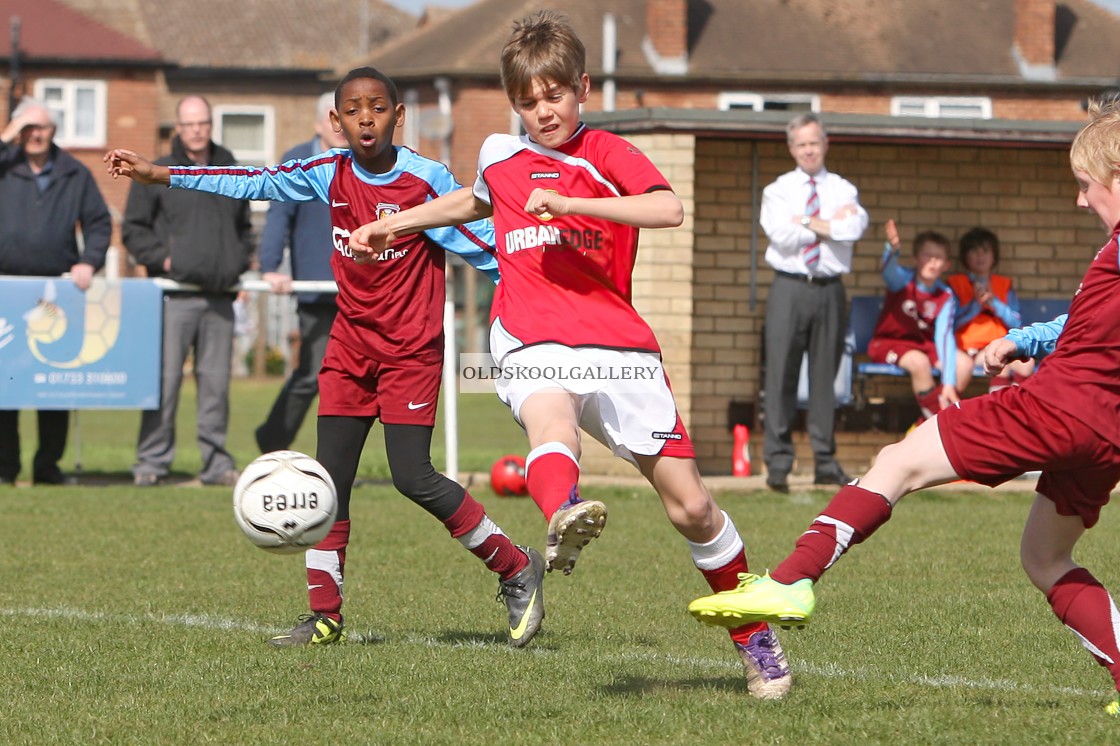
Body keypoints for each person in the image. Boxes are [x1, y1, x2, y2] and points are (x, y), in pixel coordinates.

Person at [347, 11, 792, 700]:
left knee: (694, 509)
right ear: (514, 103)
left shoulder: (607, 153)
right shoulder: (500, 153)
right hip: (531, 330)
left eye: (554, 95)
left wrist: (578, 206)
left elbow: (667, 209)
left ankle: (754, 637)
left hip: (616, 341)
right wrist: (391, 223)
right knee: (550, 425)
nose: (542, 111)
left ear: (581, 88)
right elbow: (474, 199)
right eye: (528, 101)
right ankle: (564, 514)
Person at [688, 102, 1120, 716]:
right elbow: (1085, 321)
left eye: (1085, 185)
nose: (1080, 201)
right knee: (1045, 557)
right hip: (1107, 436)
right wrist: (1023, 339)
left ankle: (789, 582)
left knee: (899, 460)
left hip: (1056, 408)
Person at [105, 67, 546, 650]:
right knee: (327, 481)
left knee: (412, 476)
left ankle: (516, 566)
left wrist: (540, 306)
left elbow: (487, 253)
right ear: (336, 122)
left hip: (410, 353)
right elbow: (250, 181)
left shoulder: (426, 180)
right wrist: (159, 174)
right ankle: (325, 614)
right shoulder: (325, 172)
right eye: (354, 109)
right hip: (349, 348)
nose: (367, 117)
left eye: (379, 106)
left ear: (398, 116)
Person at [121, 95, 252, 488]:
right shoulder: (156, 169)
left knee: (215, 385)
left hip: (219, 297)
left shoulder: (231, 167)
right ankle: (152, 462)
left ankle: (216, 464)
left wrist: (238, 261)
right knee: (164, 382)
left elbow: (244, 227)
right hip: (173, 296)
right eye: (189, 123)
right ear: (178, 127)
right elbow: (133, 229)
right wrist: (164, 260)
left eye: (203, 123)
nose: (197, 130)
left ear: (211, 125)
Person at [0, 98, 111, 485]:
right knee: (4, 387)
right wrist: (8, 134)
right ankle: (5, 468)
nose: (35, 134)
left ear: (54, 131)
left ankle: (48, 467)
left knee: (54, 386)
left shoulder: (74, 173)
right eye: (27, 128)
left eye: (41, 126)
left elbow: (99, 222)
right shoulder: (5, 165)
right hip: (6, 290)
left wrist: (89, 261)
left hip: (57, 292)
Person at [760, 112, 869, 493]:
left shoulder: (842, 188)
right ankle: (778, 463)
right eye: (802, 144)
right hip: (788, 288)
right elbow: (779, 233)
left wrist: (803, 221)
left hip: (830, 288)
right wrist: (824, 224)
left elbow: (853, 229)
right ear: (792, 148)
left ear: (825, 144)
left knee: (826, 377)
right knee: (781, 375)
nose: (809, 150)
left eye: (814, 142)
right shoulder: (777, 190)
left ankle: (825, 461)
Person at [254, 92, 348, 453]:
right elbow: (278, 216)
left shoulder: (365, 161)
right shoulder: (297, 161)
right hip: (316, 290)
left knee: (350, 381)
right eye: (332, 118)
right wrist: (269, 267)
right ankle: (272, 444)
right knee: (312, 374)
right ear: (317, 124)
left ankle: (339, 461)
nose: (339, 127)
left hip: (361, 290)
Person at [867, 220, 968, 421]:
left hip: (924, 345)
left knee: (963, 363)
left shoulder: (945, 295)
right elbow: (888, 271)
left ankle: (927, 419)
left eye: (938, 258)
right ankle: (938, 423)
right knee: (919, 363)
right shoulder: (902, 280)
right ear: (915, 259)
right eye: (927, 256)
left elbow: (944, 336)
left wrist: (948, 382)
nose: (932, 262)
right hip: (889, 343)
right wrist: (892, 250)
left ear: (946, 265)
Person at [947, 227, 1033, 393]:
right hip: (970, 348)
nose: (980, 256)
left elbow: (1016, 322)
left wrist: (994, 303)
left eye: (985, 251)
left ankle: (1018, 411)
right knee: (1000, 363)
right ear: (965, 256)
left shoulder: (1003, 284)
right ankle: (998, 413)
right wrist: (976, 305)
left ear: (994, 256)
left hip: (1000, 343)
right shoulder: (955, 283)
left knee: (1026, 363)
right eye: (974, 251)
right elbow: (951, 322)